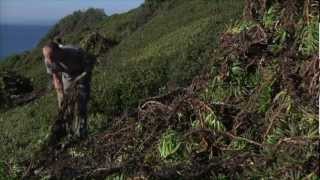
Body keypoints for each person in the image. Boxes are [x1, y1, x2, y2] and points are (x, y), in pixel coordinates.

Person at [42, 41, 95, 139]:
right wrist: (61, 94)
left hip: (81, 73)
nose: (50, 61)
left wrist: (82, 78)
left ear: (59, 51)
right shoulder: (49, 60)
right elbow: (56, 77)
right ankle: (67, 131)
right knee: (65, 106)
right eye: (48, 58)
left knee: (80, 104)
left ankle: (82, 132)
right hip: (67, 76)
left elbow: (89, 64)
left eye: (52, 57)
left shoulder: (75, 52)